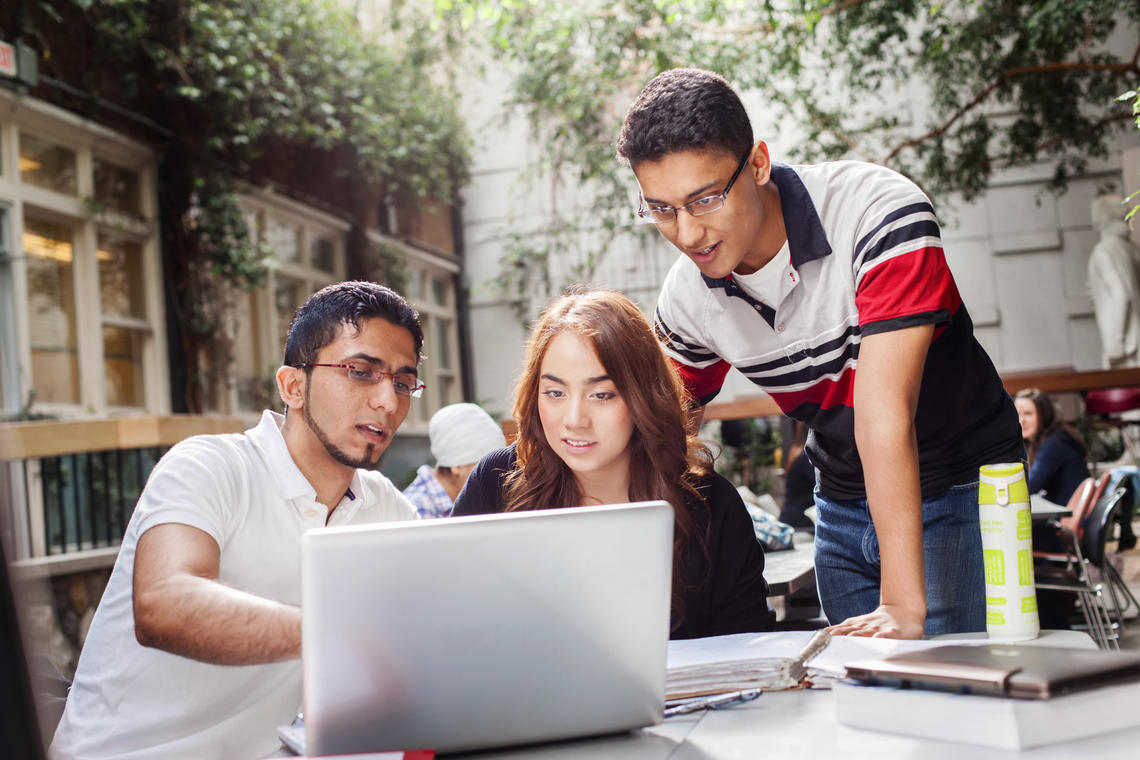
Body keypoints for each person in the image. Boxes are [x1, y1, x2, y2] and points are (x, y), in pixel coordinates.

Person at [616, 67, 1024, 639]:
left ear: (758, 163)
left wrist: (905, 605)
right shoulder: (688, 297)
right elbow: (655, 437)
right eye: (661, 209)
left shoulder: (879, 214)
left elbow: (882, 412)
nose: (687, 235)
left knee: (951, 692)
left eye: (704, 199)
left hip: (958, 483)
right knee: (866, 705)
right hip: (838, 496)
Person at [51, 281, 424, 760]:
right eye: (360, 372)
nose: (388, 402)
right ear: (293, 386)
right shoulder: (208, 465)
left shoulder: (386, 509)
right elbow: (165, 602)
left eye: (401, 382)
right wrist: (336, 632)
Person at [452, 289, 775, 639]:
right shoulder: (496, 482)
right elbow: (445, 614)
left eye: (602, 395)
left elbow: (748, 651)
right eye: (555, 393)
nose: (575, 419)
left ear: (643, 398)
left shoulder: (711, 507)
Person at [403, 402, 507, 518]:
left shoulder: (467, 503)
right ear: (456, 466)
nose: (495, 478)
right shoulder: (419, 510)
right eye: (485, 468)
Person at [1088, 194, 1140, 369]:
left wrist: (1115, 340)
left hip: (1126, 348)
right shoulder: (1131, 249)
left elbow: (1121, 294)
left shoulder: (1104, 251)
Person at [1014, 388, 1089, 506]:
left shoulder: (1054, 444)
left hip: (1067, 518)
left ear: (1044, 415)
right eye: (1017, 414)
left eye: (1028, 414)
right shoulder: (1052, 439)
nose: (1021, 420)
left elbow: (1029, 487)